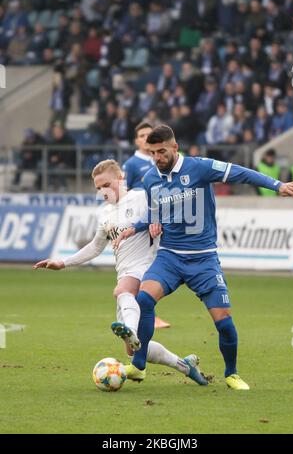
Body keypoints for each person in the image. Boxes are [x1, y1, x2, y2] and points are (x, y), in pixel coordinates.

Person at [113, 124, 293, 390]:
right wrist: (143, 225)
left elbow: (239, 173)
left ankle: (231, 373)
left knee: (224, 322)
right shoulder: (150, 178)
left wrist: (276, 184)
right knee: (143, 299)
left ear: (175, 147)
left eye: (162, 151)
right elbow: (155, 211)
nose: (157, 157)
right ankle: (139, 366)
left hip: (203, 260)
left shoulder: (199, 167)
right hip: (170, 257)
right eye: (153, 152)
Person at [33, 159, 207, 386]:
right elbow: (95, 247)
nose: (103, 191)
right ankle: (184, 365)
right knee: (133, 351)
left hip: (147, 266)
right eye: (98, 188)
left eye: (106, 184)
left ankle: (131, 330)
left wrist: (157, 222)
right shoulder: (105, 214)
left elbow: (166, 212)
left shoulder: (141, 197)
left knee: (121, 291)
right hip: (124, 270)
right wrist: (63, 263)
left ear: (120, 179)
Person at [123, 122, 171, 329]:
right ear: (136, 140)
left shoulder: (161, 159)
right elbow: (124, 193)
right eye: (141, 135)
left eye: (147, 135)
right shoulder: (132, 164)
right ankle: (144, 314)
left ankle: (144, 312)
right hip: (143, 221)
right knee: (145, 267)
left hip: (161, 218)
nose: (144, 138)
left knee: (155, 265)